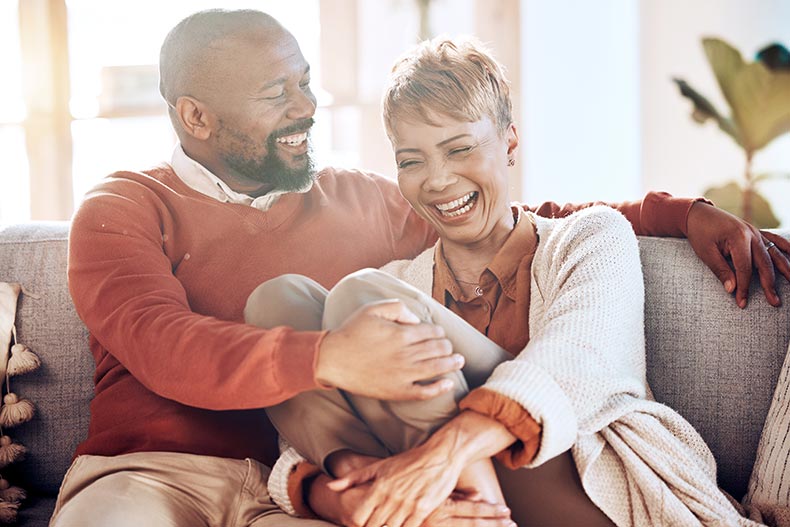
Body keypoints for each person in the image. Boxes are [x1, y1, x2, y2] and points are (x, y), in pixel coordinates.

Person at [51, 8, 790, 527]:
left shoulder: (370, 209)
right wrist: (331, 423)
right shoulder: (124, 207)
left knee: (359, 297)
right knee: (297, 299)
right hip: (162, 473)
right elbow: (165, 344)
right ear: (197, 117)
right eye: (279, 94)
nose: (309, 107)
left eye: (306, 81)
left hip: (539, 475)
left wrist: (677, 213)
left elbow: (521, 225)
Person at [254, 36, 765, 527]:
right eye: (412, 161)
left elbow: (582, 355)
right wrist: (337, 493)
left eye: (458, 149)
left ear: (510, 141)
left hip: (594, 484)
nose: (436, 180)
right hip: (434, 498)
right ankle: (405, 494)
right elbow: (299, 431)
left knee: (364, 299)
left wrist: (441, 455)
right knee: (276, 300)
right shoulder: (400, 283)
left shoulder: (591, 235)